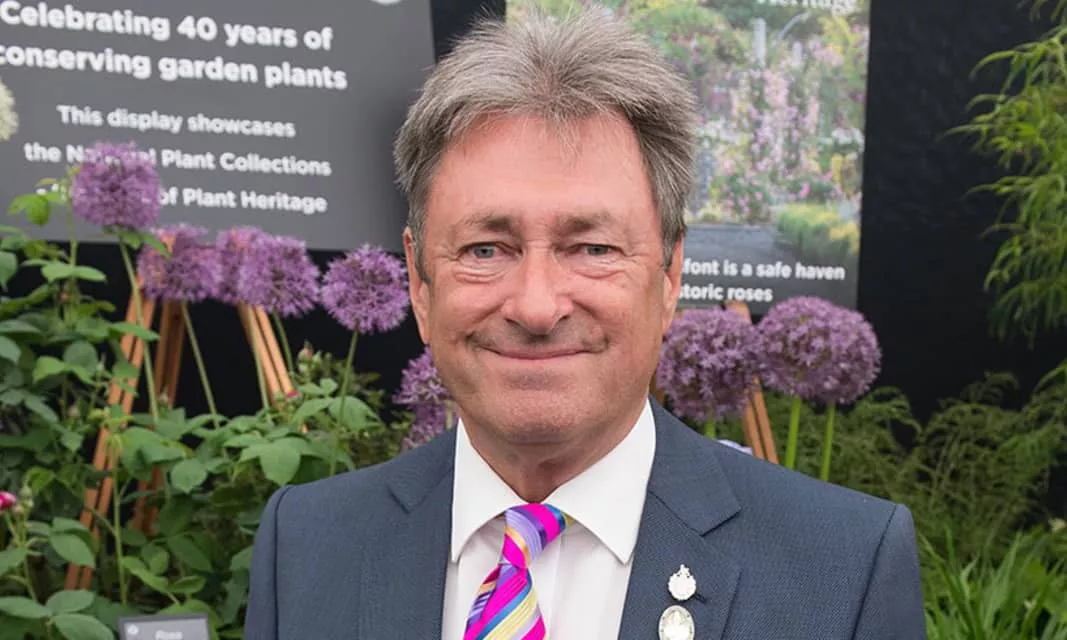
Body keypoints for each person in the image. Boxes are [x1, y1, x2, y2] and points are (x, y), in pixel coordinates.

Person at [244, 9, 925, 640]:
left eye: (592, 248)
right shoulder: (306, 545)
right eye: (485, 249)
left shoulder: (844, 572)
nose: (536, 306)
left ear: (668, 275)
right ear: (420, 283)